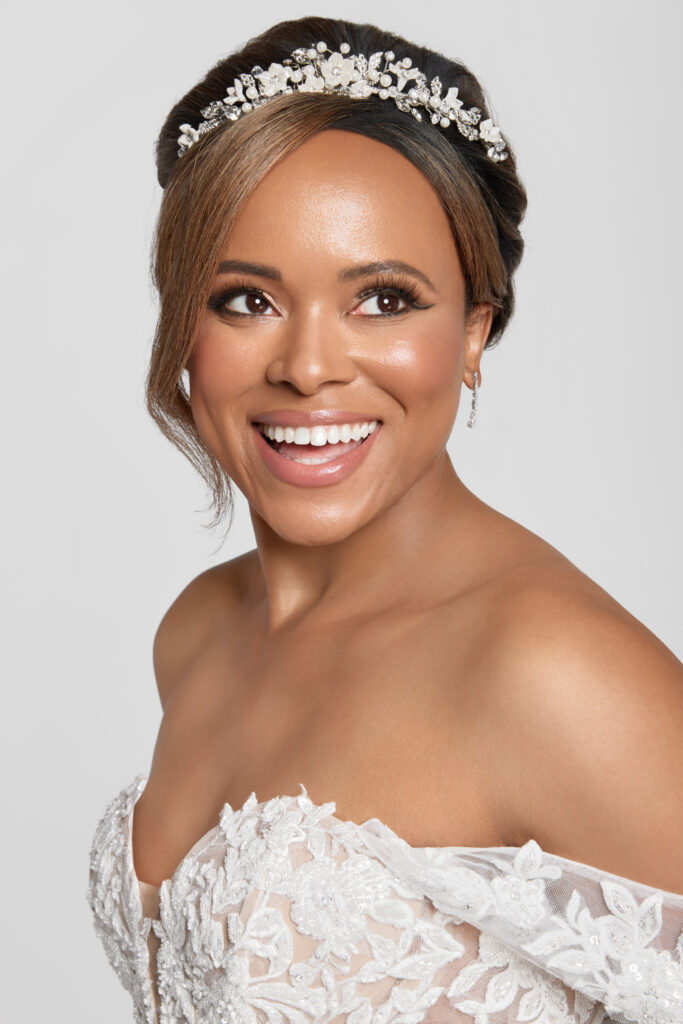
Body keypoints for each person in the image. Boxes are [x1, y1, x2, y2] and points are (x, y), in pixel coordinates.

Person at [87, 14, 683, 1024]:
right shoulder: (195, 632)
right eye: (244, 301)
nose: (309, 364)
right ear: (183, 322)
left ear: (471, 333)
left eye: (383, 299)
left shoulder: (551, 673)